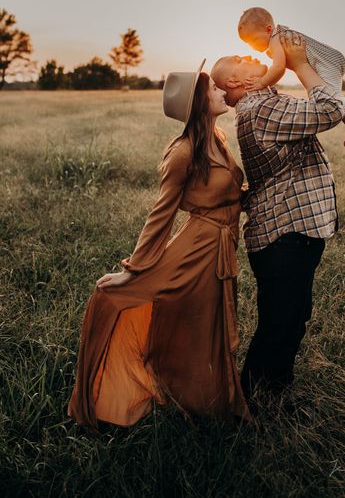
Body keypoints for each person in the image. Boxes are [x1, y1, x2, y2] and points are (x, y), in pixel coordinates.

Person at [67, 60, 253, 431]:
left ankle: (211, 403)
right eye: (213, 90)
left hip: (219, 249)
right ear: (200, 103)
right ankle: (202, 404)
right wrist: (133, 271)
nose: (221, 90)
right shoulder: (183, 153)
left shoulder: (216, 138)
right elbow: (161, 214)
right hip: (196, 252)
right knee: (198, 328)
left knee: (207, 326)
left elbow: (230, 195)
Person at [211, 32, 343, 409]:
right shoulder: (261, 110)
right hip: (285, 235)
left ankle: (273, 393)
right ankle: (251, 403)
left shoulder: (264, 103)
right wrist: (300, 64)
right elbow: (331, 109)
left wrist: (293, 58)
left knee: (291, 318)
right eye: (240, 58)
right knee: (280, 325)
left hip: (288, 233)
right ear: (237, 82)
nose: (248, 55)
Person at [237, 6, 345, 146]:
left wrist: (262, 82)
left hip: (327, 61)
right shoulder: (280, 34)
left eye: (253, 40)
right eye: (248, 44)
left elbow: (278, 68)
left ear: (268, 29)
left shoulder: (274, 40)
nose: (252, 47)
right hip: (328, 60)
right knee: (334, 94)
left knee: (331, 97)